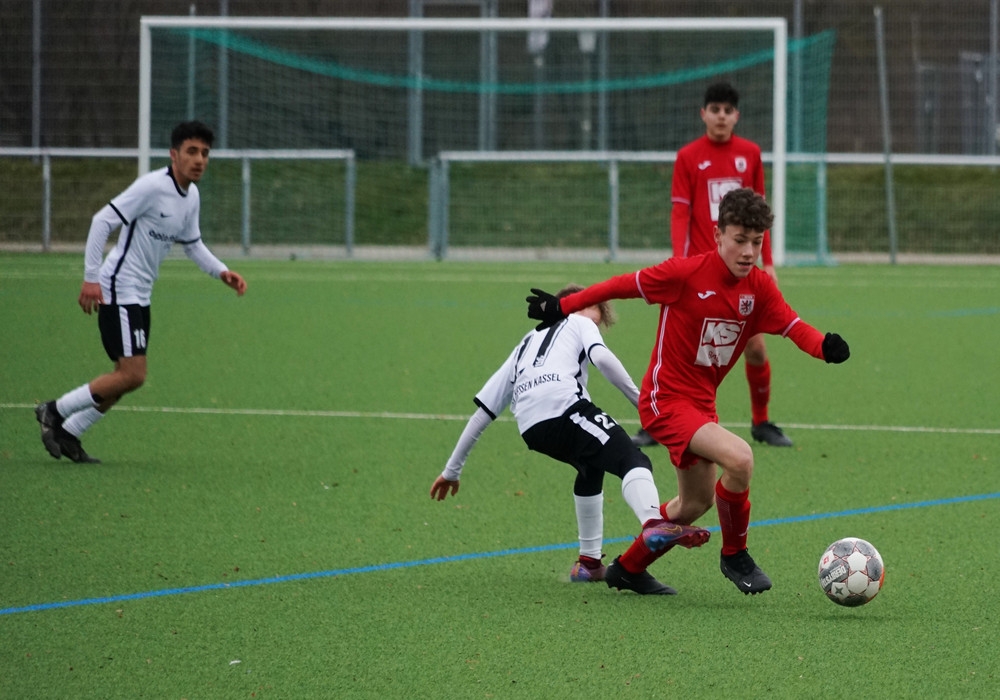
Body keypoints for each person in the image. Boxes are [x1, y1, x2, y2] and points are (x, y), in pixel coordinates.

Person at [527, 188, 850, 595]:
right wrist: (563, 306)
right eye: (739, 240)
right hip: (664, 400)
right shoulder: (684, 274)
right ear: (718, 235)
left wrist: (823, 347)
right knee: (740, 459)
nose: (748, 252)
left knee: (694, 504)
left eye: (757, 242)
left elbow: (792, 326)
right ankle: (735, 555)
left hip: (701, 406)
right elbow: (619, 285)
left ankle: (627, 568)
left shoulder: (760, 289)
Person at [430, 285, 710, 596]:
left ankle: (588, 564)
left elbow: (484, 412)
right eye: (593, 311)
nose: (595, 320)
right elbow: (603, 360)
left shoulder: (525, 343)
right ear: (570, 305)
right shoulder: (578, 321)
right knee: (633, 458)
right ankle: (653, 523)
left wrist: (452, 470)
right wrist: (644, 405)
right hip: (563, 407)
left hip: (532, 427)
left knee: (590, 467)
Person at [35, 120, 247, 464]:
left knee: (124, 377)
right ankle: (54, 411)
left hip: (140, 293)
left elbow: (193, 244)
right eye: (192, 151)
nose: (199, 160)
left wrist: (221, 271)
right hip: (119, 287)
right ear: (174, 155)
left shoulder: (191, 196)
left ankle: (70, 431)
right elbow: (102, 221)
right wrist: (90, 278)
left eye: (205, 153)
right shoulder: (152, 187)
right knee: (132, 374)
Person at [633, 82, 791, 449]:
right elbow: (680, 211)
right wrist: (680, 261)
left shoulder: (750, 154)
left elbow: (759, 216)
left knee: (755, 348)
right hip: (699, 272)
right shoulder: (688, 156)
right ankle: (656, 421)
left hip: (740, 274)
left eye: (727, 110)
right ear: (703, 114)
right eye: (715, 109)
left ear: (737, 116)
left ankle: (761, 422)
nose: (721, 116)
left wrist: (768, 263)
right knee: (675, 351)